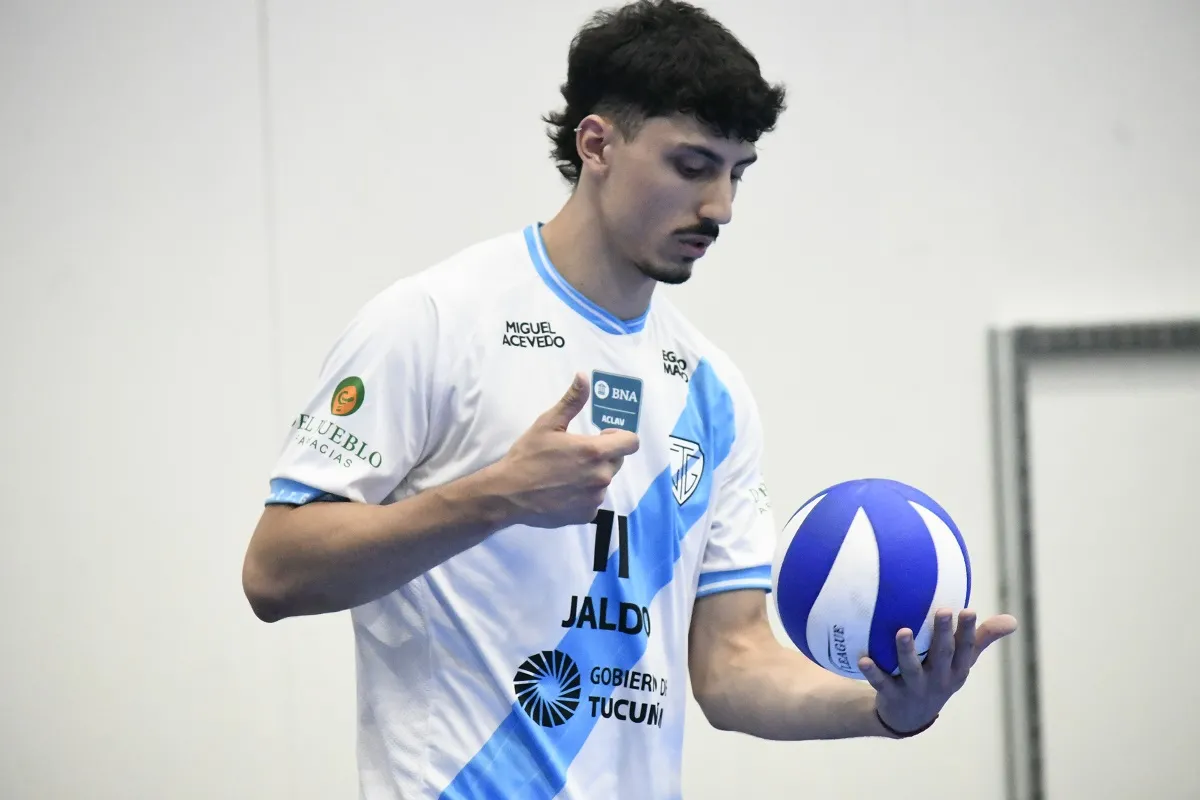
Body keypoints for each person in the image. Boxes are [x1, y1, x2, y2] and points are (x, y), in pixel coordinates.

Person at [241, 1, 1018, 797]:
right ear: (596, 143)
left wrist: (888, 709)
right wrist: (493, 498)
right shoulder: (437, 321)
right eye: (692, 166)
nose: (721, 207)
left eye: (737, 171)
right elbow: (274, 573)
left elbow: (730, 662)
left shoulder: (712, 391)